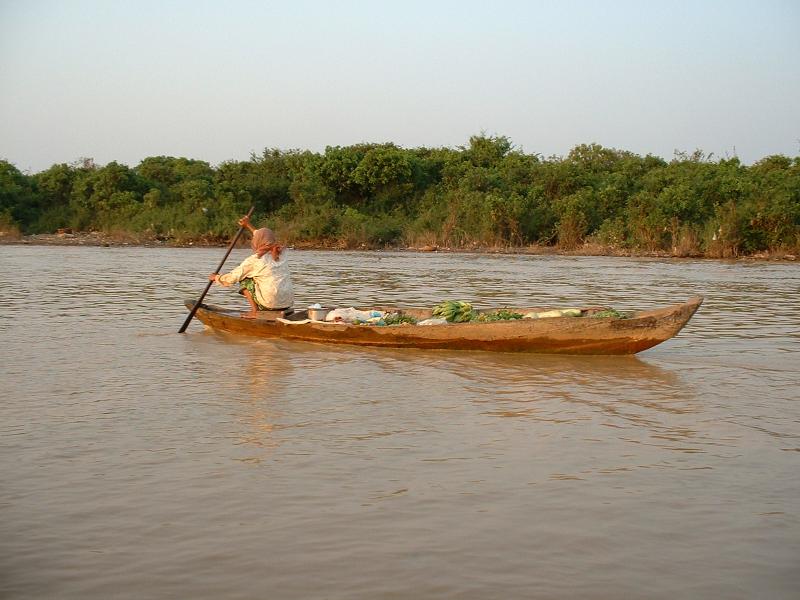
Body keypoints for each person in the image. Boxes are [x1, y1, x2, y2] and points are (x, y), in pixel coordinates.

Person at [208, 215, 294, 318]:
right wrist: (248, 225)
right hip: (287, 303)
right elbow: (262, 236)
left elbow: (233, 278)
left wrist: (217, 277)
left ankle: (255, 312)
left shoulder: (254, 260)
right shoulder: (283, 253)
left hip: (269, 304)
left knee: (245, 280)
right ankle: (262, 309)